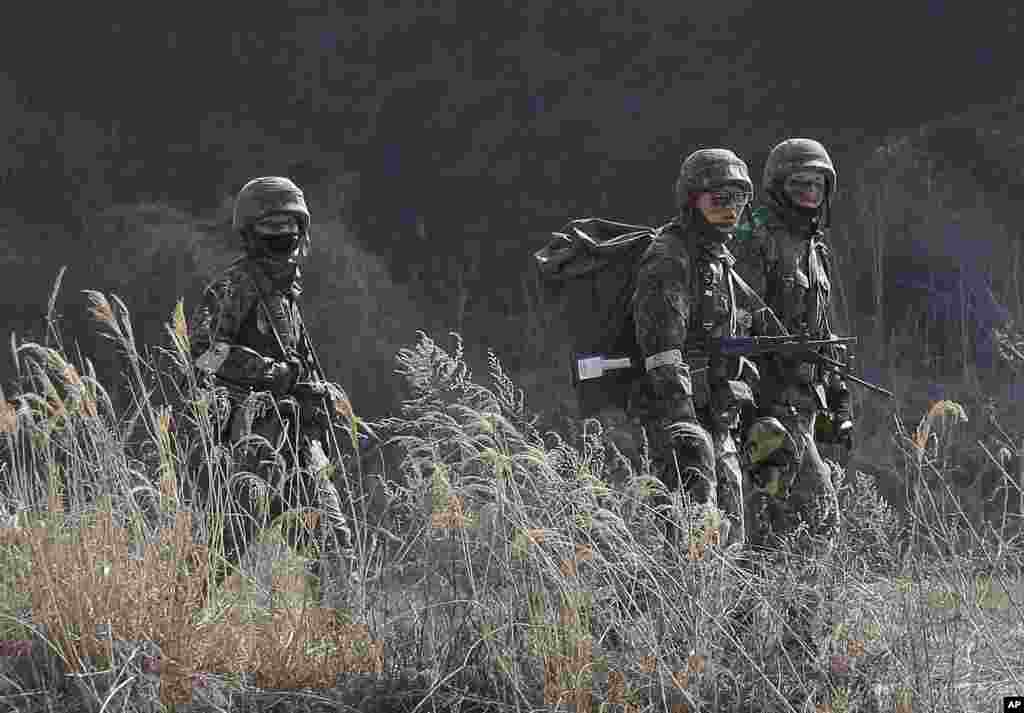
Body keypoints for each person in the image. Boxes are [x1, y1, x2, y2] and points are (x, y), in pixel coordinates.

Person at [188, 176, 353, 606]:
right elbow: (202, 354)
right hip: (251, 445)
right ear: (250, 231)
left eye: (289, 223)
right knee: (217, 554)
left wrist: (318, 395)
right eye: (271, 225)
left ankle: (342, 656)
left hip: (297, 444)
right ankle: (165, 637)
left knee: (335, 551)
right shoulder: (235, 286)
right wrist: (267, 372)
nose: (282, 234)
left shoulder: (286, 295)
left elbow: (297, 371)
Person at [629, 148, 771, 551]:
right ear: (692, 199)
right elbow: (662, 349)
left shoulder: (719, 260)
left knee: (729, 535)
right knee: (690, 530)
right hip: (680, 416)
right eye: (719, 199)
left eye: (739, 199)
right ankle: (669, 611)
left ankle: (714, 612)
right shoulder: (669, 257)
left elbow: (726, 334)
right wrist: (684, 422)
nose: (731, 210)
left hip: (717, 414)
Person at [731, 138, 845, 556]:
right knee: (798, 513)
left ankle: (793, 615)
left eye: (817, 185)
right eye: (800, 185)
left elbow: (823, 329)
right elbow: (738, 320)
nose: (810, 194)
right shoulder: (753, 238)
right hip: (766, 403)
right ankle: (750, 618)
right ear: (779, 187)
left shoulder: (816, 249)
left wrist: (838, 396)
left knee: (792, 522)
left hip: (805, 404)